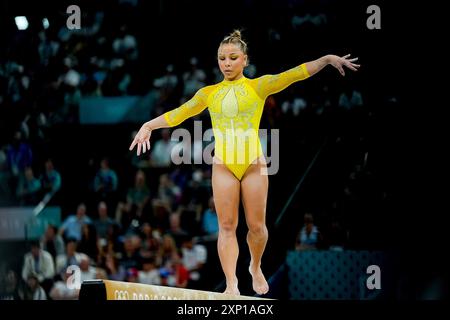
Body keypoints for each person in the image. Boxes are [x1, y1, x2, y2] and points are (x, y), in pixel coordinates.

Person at [129, 30, 359, 295]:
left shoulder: (258, 86)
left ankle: (256, 265)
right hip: (224, 165)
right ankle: (231, 284)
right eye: (222, 58)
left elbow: (295, 73)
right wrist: (149, 125)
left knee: (257, 227)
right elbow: (179, 114)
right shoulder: (208, 93)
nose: (226, 63)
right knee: (226, 227)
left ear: (245, 60)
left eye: (232, 58)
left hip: (253, 164)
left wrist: (327, 59)